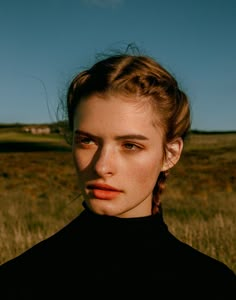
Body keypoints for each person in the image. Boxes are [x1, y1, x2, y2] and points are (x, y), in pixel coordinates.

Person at [1, 46, 236, 299]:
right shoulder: (17, 282)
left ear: (170, 154)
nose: (102, 166)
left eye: (130, 145)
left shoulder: (214, 287)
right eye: (87, 141)